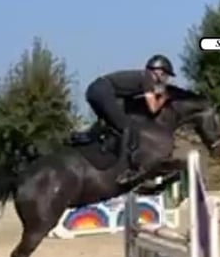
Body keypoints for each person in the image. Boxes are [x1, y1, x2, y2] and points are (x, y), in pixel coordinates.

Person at [73, 54, 176, 185]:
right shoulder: (148, 79)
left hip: (95, 90)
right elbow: (153, 108)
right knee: (128, 127)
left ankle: (81, 138)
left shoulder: (141, 77)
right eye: (166, 76)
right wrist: (164, 97)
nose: (166, 80)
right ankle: (126, 170)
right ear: (159, 72)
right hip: (102, 91)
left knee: (109, 126)